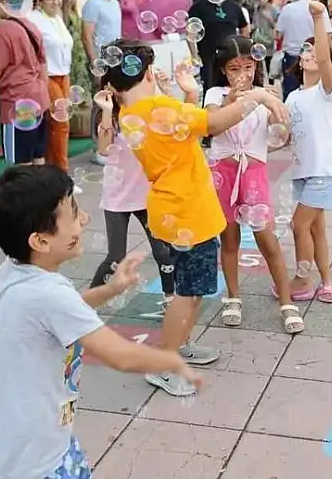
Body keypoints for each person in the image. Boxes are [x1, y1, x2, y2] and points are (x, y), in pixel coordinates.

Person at [93, 39, 288, 397]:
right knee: (188, 293)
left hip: (172, 210)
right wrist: (257, 97)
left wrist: (189, 92)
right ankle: (165, 364)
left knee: (187, 286)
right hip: (188, 212)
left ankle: (179, 345)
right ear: (149, 73)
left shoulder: (132, 115)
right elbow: (213, 122)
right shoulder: (156, 109)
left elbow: (182, 132)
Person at [0, 165, 202, 479]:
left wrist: (110, 289)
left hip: (23, 442)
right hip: (36, 461)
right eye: (73, 214)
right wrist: (170, 359)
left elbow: (65, 313)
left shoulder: (13, 271)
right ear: (40, 241)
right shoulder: (48, 293)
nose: (84, 219)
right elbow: (121, 356)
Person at [204, 37, 303, 333]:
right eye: (234, 69)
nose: (242, 74)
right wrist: (233, 101)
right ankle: (233, 296)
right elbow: (211, 124)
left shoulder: (266, 94)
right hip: (223, 172)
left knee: (266, 239)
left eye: (248, 67)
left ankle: (287, 302)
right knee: (229, 239)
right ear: (224, 71)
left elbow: (280, 135)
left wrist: (271, 103)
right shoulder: (215, 94)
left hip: (254, 172)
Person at [88, 57, 177, 310]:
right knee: (115, 256)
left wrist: (166, 90)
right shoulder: (108, 112)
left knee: (163, 251)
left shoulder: (146, 108)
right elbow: (104, 150)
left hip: (147, 193)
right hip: (118, 195)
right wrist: (106, 110)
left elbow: (172, 131)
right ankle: (87, 304)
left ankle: (170, 298)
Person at [278, 0, 332, 303]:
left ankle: (302, 279)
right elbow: (283, 137)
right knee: (316, 229)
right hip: (303, 171)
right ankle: (327, 281)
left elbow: (324, 56)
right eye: (304, 51)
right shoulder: (293, 97)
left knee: (298, 224)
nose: (310, 54)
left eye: (314, 51)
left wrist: (319, 19)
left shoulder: (326, 91)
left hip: (325, 170)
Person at [0, 0, 51, 166]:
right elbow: (43, 63)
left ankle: (23, 192)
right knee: (37, 154)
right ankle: (40, 191)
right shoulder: (32, 26)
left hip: (16, 99)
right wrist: (43, 90)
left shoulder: (3, 29)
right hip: (39, 97)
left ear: (5, 5)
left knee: (20, 159)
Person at [82, 0, 124, 166]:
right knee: (100, 104)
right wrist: (95, 63)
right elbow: (87, 35)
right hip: (101, 61)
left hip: (116, 59)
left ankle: (110, 141)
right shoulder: (93, 2)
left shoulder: (114, 2)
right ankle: (98, 147)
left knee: (115, 104)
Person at [29, 0, 74, 171]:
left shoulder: (58, 18)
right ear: (39, 2)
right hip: (48, 76)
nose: (56, 2)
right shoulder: (34, 20)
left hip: (64, 75)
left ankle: (49, 168)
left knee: (55, 125)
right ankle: (63, 173)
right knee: (61, 124)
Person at [188, 0, 249, 95]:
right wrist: (194, 55)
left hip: (231, 56)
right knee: (210, 88)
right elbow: (191, 33)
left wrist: (244, 47)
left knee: (233, 86)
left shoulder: (233, 6)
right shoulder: (198, 7)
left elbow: (244, 27)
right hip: (208, 56)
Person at [276, 0, 328, 101]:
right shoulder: (319, 9)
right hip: (314, 55)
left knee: (290, 91)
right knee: (314, 91)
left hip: (291, 55)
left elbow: (277, 34)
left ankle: (290, 115)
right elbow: (327, 34)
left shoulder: (288, 9)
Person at [61, 0, 91, 96]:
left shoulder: (75, 13)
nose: (72, 0)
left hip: (79, 49)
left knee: (81, 75)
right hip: (70, 50)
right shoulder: (63, 15)